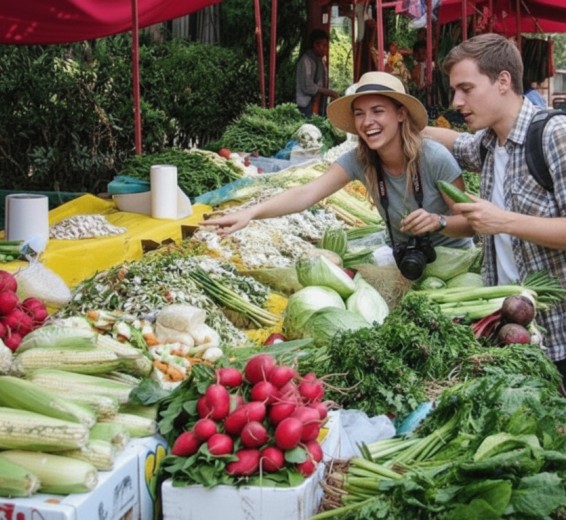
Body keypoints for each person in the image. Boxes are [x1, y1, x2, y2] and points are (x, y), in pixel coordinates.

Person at [202, 71, 474, 280]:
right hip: (407, 262)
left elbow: (470, 222)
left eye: (378, 111)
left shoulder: (433, 157)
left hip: (453, 262)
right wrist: (250, 213)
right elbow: (306, 193)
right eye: (359, 114)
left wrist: (437, 221)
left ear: (401, 114)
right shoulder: (360, 160)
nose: (368, 122)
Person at [422, 33, 566, 375]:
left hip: (557, 336)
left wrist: (502, 221)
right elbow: (456, 142)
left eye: (466, 89)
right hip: (514, 335)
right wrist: (402, 124)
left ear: (503, 81)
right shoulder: (488, 143)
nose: (456, 101)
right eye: (455, 90)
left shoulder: (553, 135)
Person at [296, 29, 339, 118]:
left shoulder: (320, 61)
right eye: (323, 45)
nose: (325, 48)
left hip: (318, 103)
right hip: (306, 106)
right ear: (315, 44)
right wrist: (329, 92)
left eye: (326, 45)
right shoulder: (306, 60)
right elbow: (307, 86)